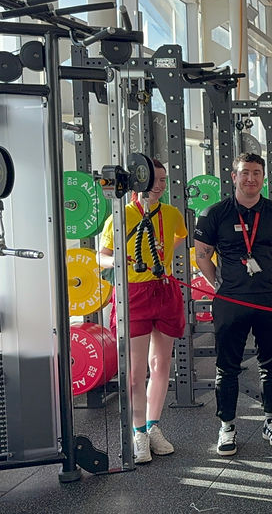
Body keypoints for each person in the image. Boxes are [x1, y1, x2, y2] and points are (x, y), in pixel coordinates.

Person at [194, 153, 272, 456]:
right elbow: (203, 255)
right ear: (233, 176)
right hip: (230, 300)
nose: (250, 178)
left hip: (270, 299)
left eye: (256, 173)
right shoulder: (214, 213)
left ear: (263, 177)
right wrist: (220, 284)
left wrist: (269, 280)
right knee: (227, 367)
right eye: (245, 173)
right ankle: (226, 426)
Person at [97, 159, 187, 464]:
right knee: (135, 373)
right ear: (140, 181)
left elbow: (178, 237)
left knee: (161, 364)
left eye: (163, 180)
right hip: (133, 294)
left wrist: (162, 259)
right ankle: (138, 433)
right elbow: (102, 257)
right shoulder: (121, 216)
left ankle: (153, 426)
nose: (160, 185)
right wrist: (123, 263)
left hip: (164, 290)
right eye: (155, 179)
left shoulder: (172, 214)